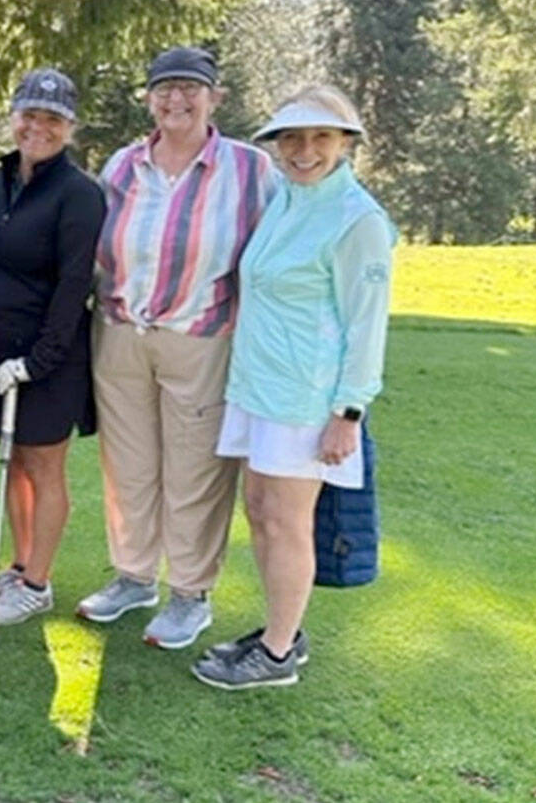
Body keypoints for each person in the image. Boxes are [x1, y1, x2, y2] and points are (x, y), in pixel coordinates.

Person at [192, 85, 396, 690]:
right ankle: (284, 628)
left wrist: (349, 410)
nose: (305, 150)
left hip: (308, 399)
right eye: (292, 138)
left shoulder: (358, 219)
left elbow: (366, 324)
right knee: (260, 511)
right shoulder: (285, 198)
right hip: (259, 386)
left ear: (344, 144)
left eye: (320, 138)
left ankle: (277, 655)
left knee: (286, 521)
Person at [79, 46, 279, 650]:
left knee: (195, 471)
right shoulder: (122, 165)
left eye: (191, 88)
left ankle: (190, 594)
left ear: (213, 98)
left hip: (201, 338)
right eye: (165, 89)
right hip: (119, 334)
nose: (177, 99)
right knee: (129, 467)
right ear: (149, 98)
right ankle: (134, 576)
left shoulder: (249, 170)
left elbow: (270, 259)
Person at [0, 69, 104, 625]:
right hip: (1, 349)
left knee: (45, 467)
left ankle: (39, 584)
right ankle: (20, 567)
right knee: (16, 464)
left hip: (51, 356)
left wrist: (39, 361)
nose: (38, 127)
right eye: (29, 114)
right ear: (14, 117)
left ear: (68, 128)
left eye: (52, 119)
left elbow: (75, 286)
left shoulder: (80, 193)